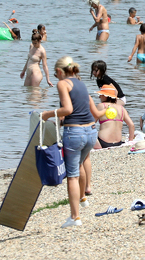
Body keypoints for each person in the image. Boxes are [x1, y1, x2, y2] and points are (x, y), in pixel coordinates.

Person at [40, 57, 105, 228]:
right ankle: (83, 198)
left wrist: (47, 114)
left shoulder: (63, 84)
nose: (56, 77)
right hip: (91, 133)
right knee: (81, 163)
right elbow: (96, 114)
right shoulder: (81, 84)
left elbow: (67, 110)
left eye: (55, 74)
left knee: (72, 175)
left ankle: (75, 217)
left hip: (75, 133)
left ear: (60, 72)